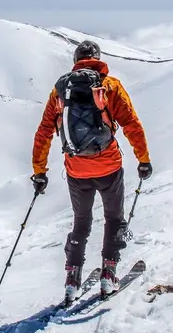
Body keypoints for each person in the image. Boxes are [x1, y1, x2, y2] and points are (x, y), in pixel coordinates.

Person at [31, 40, 152, 303]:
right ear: (98, 59)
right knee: (114, 219)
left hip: (76, 170)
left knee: (81, 222)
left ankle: (72, 280)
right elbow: (132, 124)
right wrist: (143, 160)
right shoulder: (110, 86)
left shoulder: (60, 91)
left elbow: (43, 133)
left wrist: (40, 172)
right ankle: (109, 275)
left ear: (76, 61)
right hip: (109, 167)